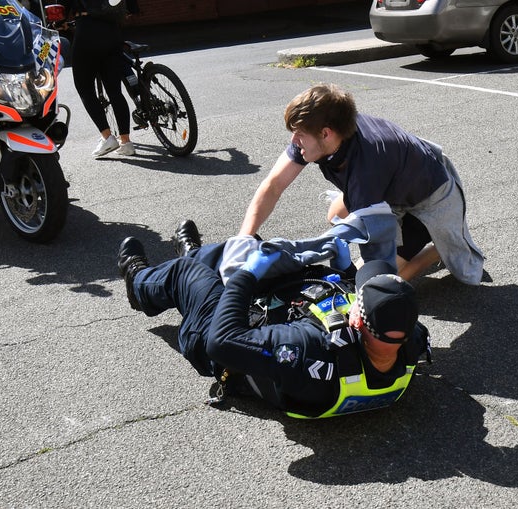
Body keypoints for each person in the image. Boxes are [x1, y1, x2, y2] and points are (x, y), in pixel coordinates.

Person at [116, 220, 431, 419]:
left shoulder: (304, 350)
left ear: (357, 322)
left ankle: (139, 281)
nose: (355, 290)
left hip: (228, 344)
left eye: (358, 296)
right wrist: (346, 271)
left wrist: (248, 274)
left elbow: (222, 341)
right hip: (285, 309)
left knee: (191, 275)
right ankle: (196, 254)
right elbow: (381, 313)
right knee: (258, 245)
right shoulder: (409, 340)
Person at [238, 83, 485, 285]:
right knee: (335, 215)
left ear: (326, 133)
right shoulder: (324, 134)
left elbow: (378, 252)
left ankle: (436, 249)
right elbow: (273, 185)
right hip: (388, 188)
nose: (294, 141)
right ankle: (418, 246)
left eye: (300, 134)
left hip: (429, 196)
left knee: (375, 282)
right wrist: (244, 238)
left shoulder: (368, 166)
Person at [67, 0, 139, 158]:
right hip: (112, 30)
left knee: (84, 88)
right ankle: (126, 142)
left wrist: (59, 20)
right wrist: (131, 9)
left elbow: (62, 6)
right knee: (114, 90)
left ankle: (107, 137)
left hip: (86, 30)